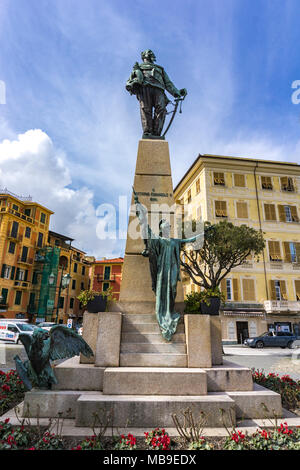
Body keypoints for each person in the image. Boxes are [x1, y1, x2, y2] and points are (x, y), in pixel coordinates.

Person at [133, 190, 204, 341]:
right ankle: (164, 313)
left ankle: (169, 311)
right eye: (165, 227)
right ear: (161, 229)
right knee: (166, 287)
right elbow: (146, 229)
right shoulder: (158, 240)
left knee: (173, 287)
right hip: (161, 271)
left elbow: (188, 241)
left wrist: (201, 234)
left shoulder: (174, 241)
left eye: (168, 227)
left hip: (171, 269)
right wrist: (140, 211)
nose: (167, 228)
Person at [126, 49, 187, 138]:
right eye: (149, 52)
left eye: (151, 52)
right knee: (146, 110)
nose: (152, 54)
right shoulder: (139, 68)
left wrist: (177, 92)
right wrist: (132, 85)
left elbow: (168, 83)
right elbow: (130, 81)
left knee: (161, 109)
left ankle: (156, 133)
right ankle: (148, 132)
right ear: (144, 56)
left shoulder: (160, 69)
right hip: (145, 88)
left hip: (159, 89)